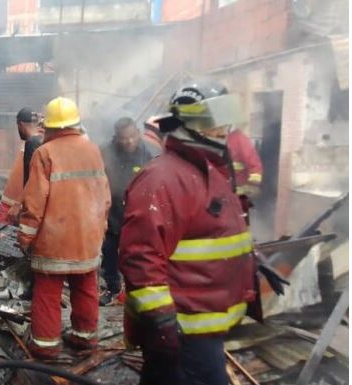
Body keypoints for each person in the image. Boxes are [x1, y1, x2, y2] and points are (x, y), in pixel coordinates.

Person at [118, 80, 257, 385]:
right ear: (191, 125)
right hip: (185, 330)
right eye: (215, 122)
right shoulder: (165, 179)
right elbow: (140, 259)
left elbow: (211, 237)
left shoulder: (206, 171)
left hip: (201, 326)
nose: (224, 130)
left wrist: (250, 265)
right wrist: (163, 323)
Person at [18, 97, 111, 359]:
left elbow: (34, 202)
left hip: (54, 240)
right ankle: (85, 337)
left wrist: (25, 237)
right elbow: (104, 196)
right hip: (87, 238)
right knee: (85, 286)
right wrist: (100, 229)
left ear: (49, 126)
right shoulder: (93, 150)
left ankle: (46, 347)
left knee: (47, 292)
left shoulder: (44, 153)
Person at [99, 117, 159, 306]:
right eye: (124, 138)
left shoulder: (149, 154)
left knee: (137, 256)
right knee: (109, 252)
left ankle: (137, 291)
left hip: (138, 213)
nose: (129, 141)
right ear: (116, 138)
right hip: (112, 211)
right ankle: (113, 288)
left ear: (138, 134)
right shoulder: (105, 151)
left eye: (132, 136)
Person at [0, 108, 43, 224]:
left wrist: (18, 203)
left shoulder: (33, 143)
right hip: (18, 204)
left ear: (20, 125)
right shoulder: (40, 139)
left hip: (14, 207)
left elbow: (33, 178)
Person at [227, 128, 263, 198]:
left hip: (238, 192)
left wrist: (253, 185)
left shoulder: (238, 138)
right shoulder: (205, 139)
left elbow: (254, 164)